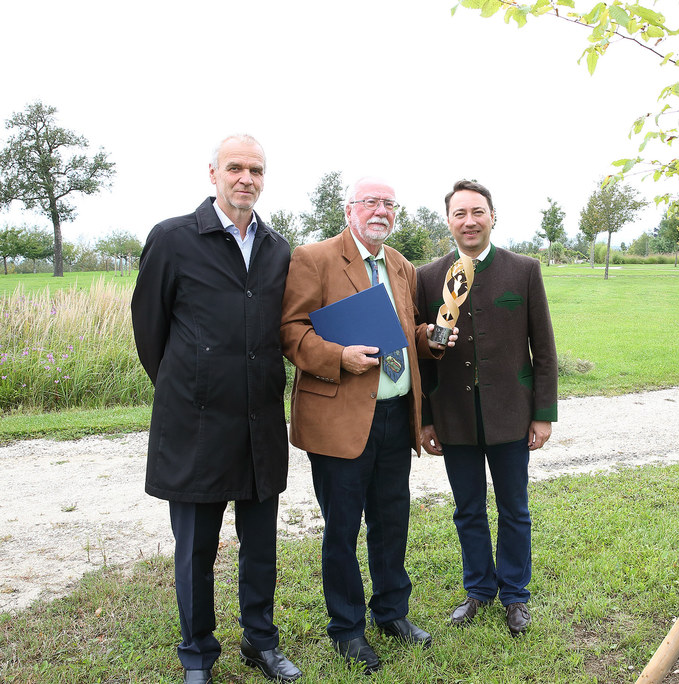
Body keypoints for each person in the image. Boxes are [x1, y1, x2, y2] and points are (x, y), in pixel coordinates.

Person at [131, 135, 300, 684]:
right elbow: (149, 333)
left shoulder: (278, 248)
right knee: (196, 550)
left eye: (255, 169)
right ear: (213, 173)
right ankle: (198, 656)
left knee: (261, 547)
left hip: (260, 422)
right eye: (235, 168)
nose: (245, 178)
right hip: (197, 426)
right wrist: (194, 383)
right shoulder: (173, 239)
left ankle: (260, 641)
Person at [280, 177, 451, 674]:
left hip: (396, 416)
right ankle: (347, 628)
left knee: (391, 520)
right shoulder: (314, 258)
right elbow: (291, 330)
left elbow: (406, 329)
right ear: (350, 209)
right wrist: (337, 356)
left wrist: (430, 336)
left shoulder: (400, 264)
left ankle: (391, 613)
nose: (381, 211)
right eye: (371, 202)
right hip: (340, 420)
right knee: (342, 528)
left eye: (389, 204)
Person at [417, 179, 558, 636]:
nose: (469, 221)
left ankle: (516, 594)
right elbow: (420, 354)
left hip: (512, 414)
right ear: (449, 221)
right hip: (454, 417)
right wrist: (424, 420)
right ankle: (479, 589)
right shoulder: (426, 277)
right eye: (460, 213)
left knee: (515, 509)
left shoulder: (524, 270)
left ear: (492, 216)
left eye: (477, 212)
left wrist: (543, 413)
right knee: (468, 509)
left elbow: (545, 348)